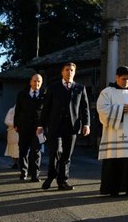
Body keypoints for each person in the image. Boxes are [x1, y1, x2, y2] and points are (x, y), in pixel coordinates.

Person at [39, 62, 91, 191]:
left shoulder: (80, 88)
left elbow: (85, 108)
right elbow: (46, 108)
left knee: (67, 155)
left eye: (72, 70)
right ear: (62, 72)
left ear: (75, 72)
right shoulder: (53, 87)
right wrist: (41, 125)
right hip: (55, 125)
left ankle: (62, 181)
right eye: (67, 70)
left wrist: (86, 124)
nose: (69, 72)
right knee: (55, 152)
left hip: (72, 126)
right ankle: (51, 176)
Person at [97, 66, 128, 197]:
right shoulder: (107, 92)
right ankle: (113, 189)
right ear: (117, 77)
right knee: (115, 160)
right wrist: (120, 109)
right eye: (124, 79)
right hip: (114, 134)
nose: (126, 82)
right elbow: (102, 109)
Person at [14, 74, 45, 182]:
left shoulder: (45, 95)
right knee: (23, 150)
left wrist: (43, 126)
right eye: (35, 81)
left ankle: (35, 175)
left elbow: (46, 113)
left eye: (39, 81)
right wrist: (16, 124)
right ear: (30, 82)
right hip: (23, 127)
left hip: (38, 128)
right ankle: (23, 172)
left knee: (36, 151)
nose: (37, 83)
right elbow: (17, 110)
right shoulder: (22, 94)